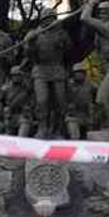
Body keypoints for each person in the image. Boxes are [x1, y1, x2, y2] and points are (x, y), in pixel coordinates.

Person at [24, 9, 72, 139]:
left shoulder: (61, 33)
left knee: (60, 100)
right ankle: (42, 128)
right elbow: (28, 55)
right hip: (40, 69)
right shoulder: (34, 34)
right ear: (42, 20)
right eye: (47, 19)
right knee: (41, 100)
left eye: (52, 18)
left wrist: (62, 43)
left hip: (57, 68)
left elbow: (69, 52)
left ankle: (58, 129)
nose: (50, 21)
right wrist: (30, 43)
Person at [80, 0, 109, 134]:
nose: (101, 14)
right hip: (104, 70)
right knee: (101, 102)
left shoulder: (108, 28)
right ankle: (106, 127)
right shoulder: (101, 30)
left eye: (105, 12)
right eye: (99, 12)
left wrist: (90, 4)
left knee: (101, 99)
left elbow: (84, 18)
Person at [65, 64, 96, 140]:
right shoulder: (69, 86)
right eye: (76, 73)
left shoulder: (92, 85)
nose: (78, 75)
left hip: (87, 115)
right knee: (74, 136)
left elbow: (98, 98)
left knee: (90, 136)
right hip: (73, 115)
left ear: (84, 74)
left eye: (80, 72)